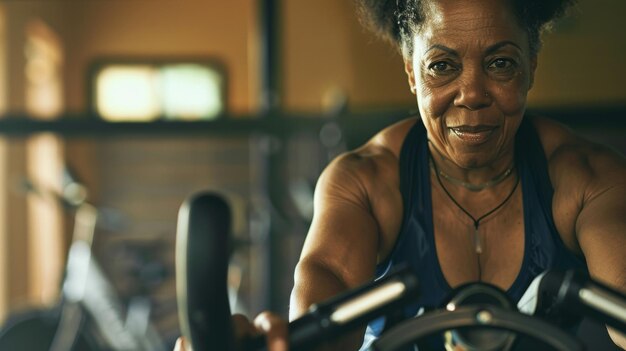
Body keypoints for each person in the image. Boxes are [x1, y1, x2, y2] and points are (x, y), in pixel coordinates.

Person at [177, 0, 626, 349]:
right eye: (442, 66)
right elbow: (325, 307)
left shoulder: (586, 178)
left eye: (501, 63)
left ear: (532, 66)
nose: (472, 94)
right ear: (412, 72)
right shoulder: (365, 182)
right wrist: (279, 344)